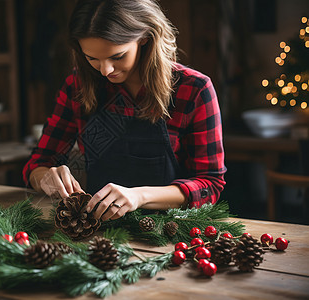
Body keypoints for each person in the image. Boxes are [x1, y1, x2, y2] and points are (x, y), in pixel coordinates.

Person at [23, 0, 226, 222]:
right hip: (96, 228)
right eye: (92, 58)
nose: (105, 70)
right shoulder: (77, 85)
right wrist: (45, 178)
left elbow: (210, 185)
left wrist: (139, 196)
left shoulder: (194, 89)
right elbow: (37, 164)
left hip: (172, 230)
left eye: (117, 56)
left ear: (145, 38)